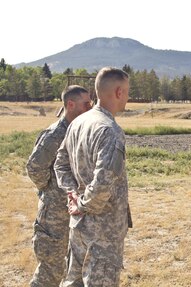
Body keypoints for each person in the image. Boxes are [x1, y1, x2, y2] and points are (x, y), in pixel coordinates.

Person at [54, 67, 132, 287]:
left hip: (78, 226)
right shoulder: (110, 130)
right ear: (118, 92)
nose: (127, 97)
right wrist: (81, 203)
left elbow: (60, 163)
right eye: (126, 91)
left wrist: (72, 194)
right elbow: (103, 183)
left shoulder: (78, 122)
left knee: (73, 281)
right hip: (102, 231)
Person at [26, 85, 92, 287]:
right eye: (86, 103)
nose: (91, 107)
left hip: (78, 213)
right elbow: (35, 168)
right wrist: (52, 192)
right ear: (70, 105)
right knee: (51, 273)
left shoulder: (82, 130)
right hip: (55, 216)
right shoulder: (55, 134)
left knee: (76, 272)